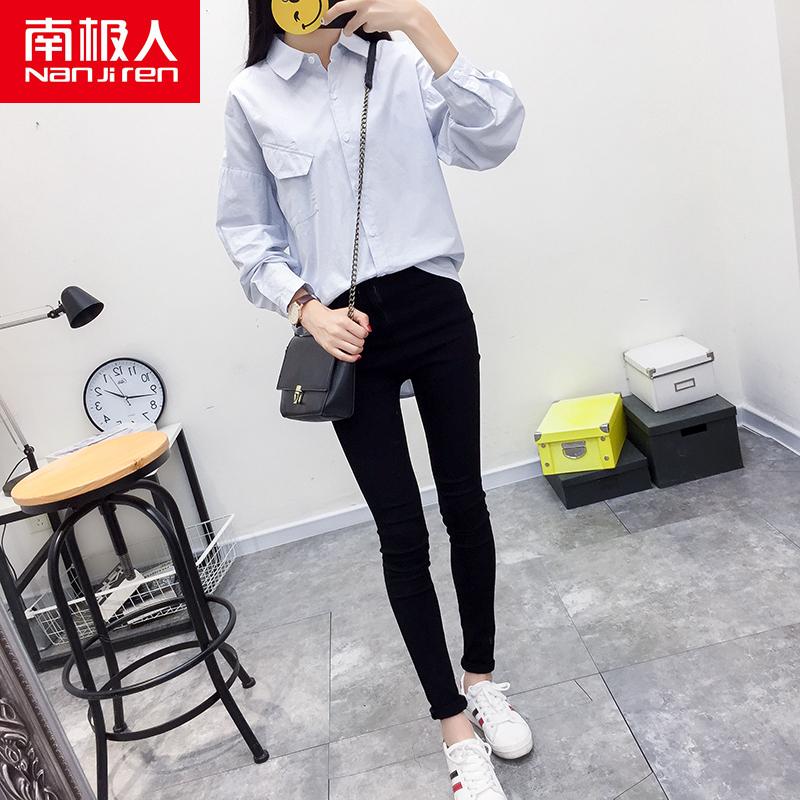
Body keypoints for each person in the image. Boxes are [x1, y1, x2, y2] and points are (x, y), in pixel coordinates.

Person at [215, 1, 528, 796]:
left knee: (465, 502)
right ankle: (452, 726)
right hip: (344, 332)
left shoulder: (398, 63)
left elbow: (492, 135)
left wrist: (419, 23)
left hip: (433, 305)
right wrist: (306, 309)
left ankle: (482, 680)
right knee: (400, 531)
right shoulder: (253, 96)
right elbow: (247, 232)